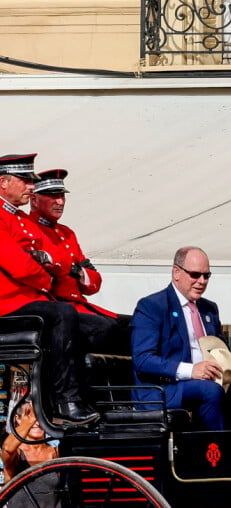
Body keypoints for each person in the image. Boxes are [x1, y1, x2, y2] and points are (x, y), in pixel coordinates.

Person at [0, 154, 99, 424]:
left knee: (103, 327)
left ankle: (106, 400)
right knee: (62, 314)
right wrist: (50, 279)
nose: (30, 186)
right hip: (8, 304)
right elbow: (19, 265)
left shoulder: (16, 217)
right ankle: (66, 401)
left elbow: (38, 260)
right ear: (3, 182)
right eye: (24, 181)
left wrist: (46, 268)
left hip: (25, 299)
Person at [131, 246, 231, 431]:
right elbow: (143, 359)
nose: (201, 281)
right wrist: (191, 371)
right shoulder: (152, 306)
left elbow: (223, 352)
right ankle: (216, 452)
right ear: (176, 273)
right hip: (166, 388)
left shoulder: (209, 309)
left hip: (213, 379)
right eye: (195, 275)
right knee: (208, 390)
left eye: (206, 276)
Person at [29, 169, 131, 355]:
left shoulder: (67, 233)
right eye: (52, 196)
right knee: (105, 328)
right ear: (34, 200)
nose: (60, 202)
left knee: (138, 325)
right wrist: (74, 269)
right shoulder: (29, 229)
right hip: (57, 307)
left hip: (79, 305)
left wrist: (76, 271)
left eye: (61, 196)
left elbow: (94, 284)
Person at [1, 400, 59, 507]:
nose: (37, 422)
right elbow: (7, 449)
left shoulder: (55, 452)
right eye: (29, 414)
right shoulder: (17, 454)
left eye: (41, 417)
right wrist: (31, 419)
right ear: (18, 419)